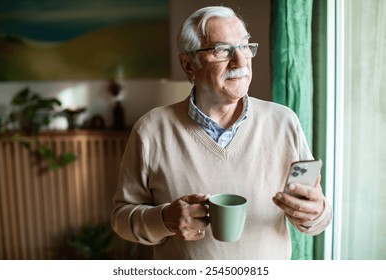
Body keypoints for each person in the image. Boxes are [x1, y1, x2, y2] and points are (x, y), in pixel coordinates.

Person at [111, 6, 332, 260]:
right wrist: (165, 219)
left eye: (245, 46)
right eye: (222, 50)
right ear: (188, 64)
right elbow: (121, 219)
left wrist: (317, 212)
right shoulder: (150, 130)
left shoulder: (284, 122)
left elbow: (317, 217)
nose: (241, 62)